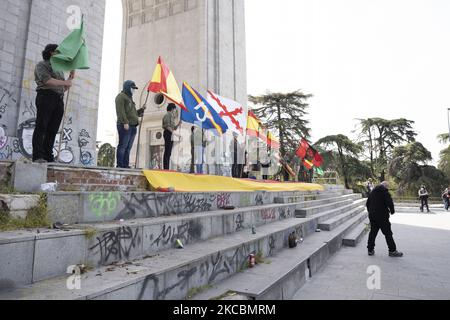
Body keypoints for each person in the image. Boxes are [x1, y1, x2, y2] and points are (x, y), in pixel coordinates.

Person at [32, 44, 75, 163]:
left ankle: (48, 156)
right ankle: (38, 156)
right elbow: (47, 81)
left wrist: (70, 79)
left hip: (58, 99)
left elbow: (63, 88)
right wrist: (65, 82)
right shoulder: (42, 65)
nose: (61, 54)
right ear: (51, 52)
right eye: (58, 52)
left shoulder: (59, 69)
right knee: (42, 126)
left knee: (52, 129)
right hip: (46, 96)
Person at [366, 181, 403, 257]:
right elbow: (389, 202)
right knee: (388, 233)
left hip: (372, 216)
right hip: (382, 216)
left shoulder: (372, 192)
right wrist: (392, 211)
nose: (387, 188)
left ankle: (370, 250)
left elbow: (367, 204)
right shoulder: (384, 191)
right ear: (385, 186)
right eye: (387, 187)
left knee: (373, 232)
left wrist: (371, 212)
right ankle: (392, 251)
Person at [115, 80, 145, 169]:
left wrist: (141, 110)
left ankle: (125, 164)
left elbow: (134, 113)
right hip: (125, 125)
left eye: (134, 88)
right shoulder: (121, 97)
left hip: (133, 126)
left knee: (128, 147)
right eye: (132, 88)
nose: (133, 90)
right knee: (123, 146)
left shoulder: (130, 99)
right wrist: (125, 122)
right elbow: (120, 111)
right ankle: (120, 165)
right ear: (127, 87)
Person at [162, 103, 180, 170]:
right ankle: (165, 167)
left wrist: (178, 124)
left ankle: (167, 167)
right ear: (172, 109)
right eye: (175, 109)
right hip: (168, 133)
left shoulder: (171, 116)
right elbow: (167, 126)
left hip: (171, 134)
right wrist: (174, 133)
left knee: (169, 152)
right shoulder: (167, 115)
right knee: (167, 151)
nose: (175, 110)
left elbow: (174, 127)